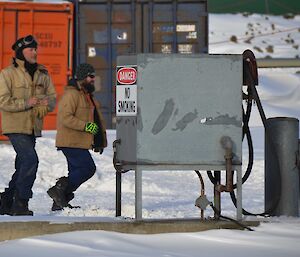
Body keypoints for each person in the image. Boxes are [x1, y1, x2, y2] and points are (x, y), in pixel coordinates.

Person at [0, 35, 56, 216]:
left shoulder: (43, 73)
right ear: (20, 52)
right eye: (31, 49)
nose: (35, 52)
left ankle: (6, 201)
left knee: (23, 165)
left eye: (35, 49)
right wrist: (27, 103)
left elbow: (53, 99)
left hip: (32, 127)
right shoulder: (7, 74)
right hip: (15, 126)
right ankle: (21, 204)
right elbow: (3, 100)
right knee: (31, 160)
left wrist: (46, 103)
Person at [47, 63, 107, 211]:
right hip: (70, 141)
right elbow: (65, 118)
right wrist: (86, 126)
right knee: (87, 168)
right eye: (90, 76)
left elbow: (95, 120)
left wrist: (97, 140)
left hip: (79, 142)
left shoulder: (86, 96)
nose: (93, 79)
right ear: (82, 77)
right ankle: (58, 190)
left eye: (94, 76)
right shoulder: (72, 94)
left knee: (75, 172)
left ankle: (59, 203)